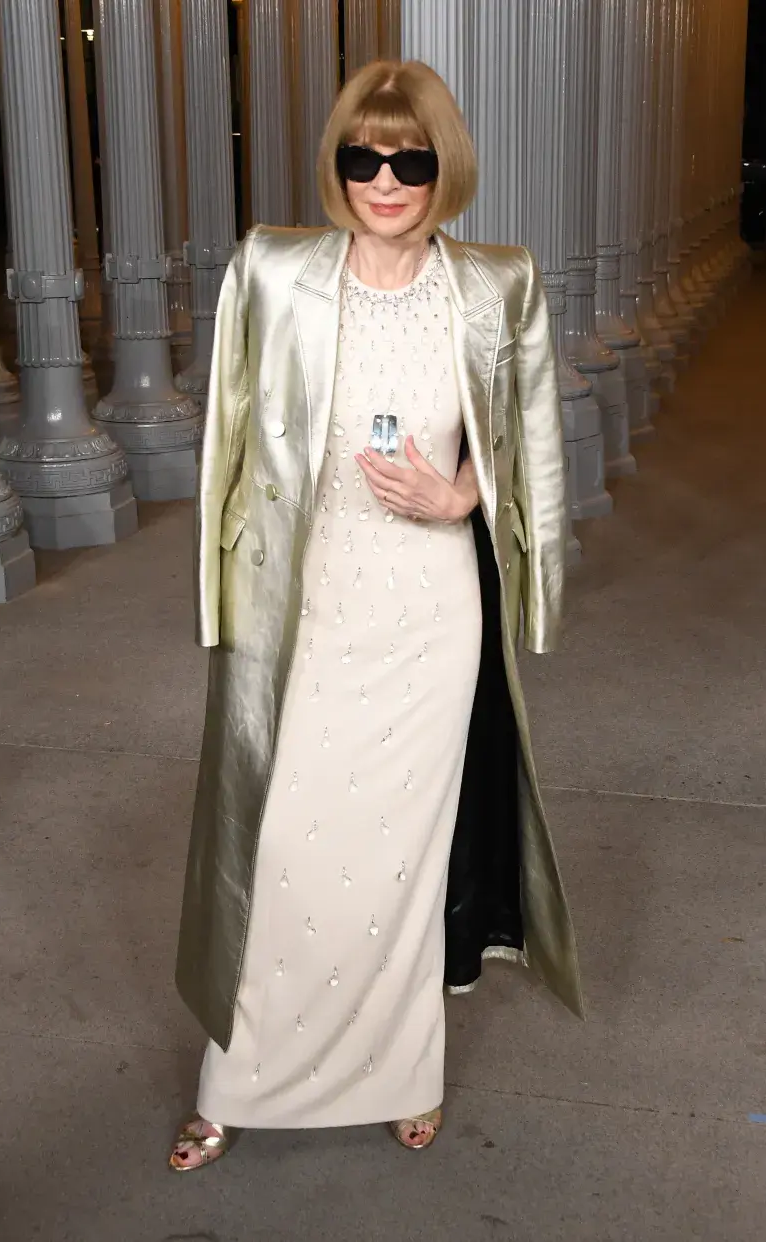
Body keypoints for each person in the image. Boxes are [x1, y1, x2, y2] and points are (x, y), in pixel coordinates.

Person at [170, 58, 582, 1171]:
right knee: (288, 853)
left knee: (403, 866)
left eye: (410, 158)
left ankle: (409, 1069)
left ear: (445, 166)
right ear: (338, 166)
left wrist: (464, 498)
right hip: (310, 609)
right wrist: (220, 609)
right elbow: (227, 439)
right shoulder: (272, 270)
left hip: (429, 616)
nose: (386, 179)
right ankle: (235, 1082)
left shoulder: (498, 284)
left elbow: (537, 452)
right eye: (364, 157)